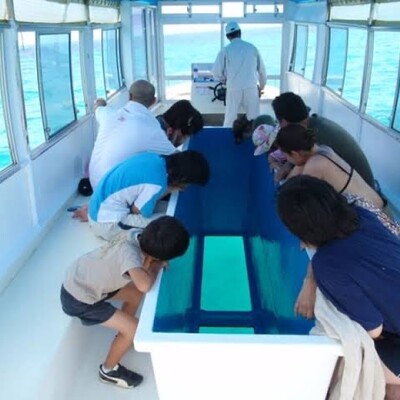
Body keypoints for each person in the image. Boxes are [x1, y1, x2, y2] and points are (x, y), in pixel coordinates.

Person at [276, 175, 400, 391]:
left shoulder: (328, 265)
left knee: (360, 373)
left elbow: (374, 329)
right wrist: (310, 279)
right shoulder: (363, 215)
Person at [60, 215, 190, 389]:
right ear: (156, 255)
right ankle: (108, 370)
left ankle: (123, 334)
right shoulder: (130, 256)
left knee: (134, 295)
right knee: (134, 328)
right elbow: (144, 285)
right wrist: (156, 266)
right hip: (79, 298)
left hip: (82, 279)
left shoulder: (137, 234)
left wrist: (151, 260)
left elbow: (138, 278)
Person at [88, 150, 210, 241]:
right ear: (183, 178)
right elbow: (138, 211)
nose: (187, 187)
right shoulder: (158, 183)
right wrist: (169, 189)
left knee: (169, 213)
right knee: (171, 227)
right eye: (189, 183)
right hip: (107, 223)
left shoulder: (155, 158)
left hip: (98, 208)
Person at [271, 92, 375, 187]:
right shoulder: (313, 125)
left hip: (360, 190)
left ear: (284, 122)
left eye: (279, 122)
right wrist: (288, 165)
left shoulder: (315, 136)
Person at [89, 80, 177, 191]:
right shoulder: (150, 127)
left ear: (129, 96)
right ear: (154, 101)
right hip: (112, 191)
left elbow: (97, 106)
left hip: (95, 183)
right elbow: (176, 157)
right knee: (156, 164)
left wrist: (101, 102)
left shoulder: (109, 114)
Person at [212, 21, 267, 128]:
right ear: (240, 32)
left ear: (228, 36)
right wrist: (261, 87)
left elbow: (216, 72)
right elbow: (262, 71)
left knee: (230, 119)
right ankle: (255, 137)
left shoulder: (225, 51)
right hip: (251, 88)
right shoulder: (252, 48)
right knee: (254, 118)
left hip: (233, 88)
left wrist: (225, 80)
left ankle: (226, 138)